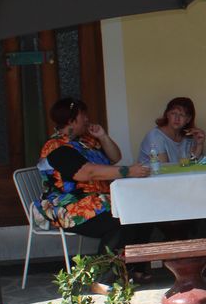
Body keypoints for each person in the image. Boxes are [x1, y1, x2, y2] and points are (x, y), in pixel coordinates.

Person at [36, 97, 152, 280]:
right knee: (119, 222)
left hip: (97, 201)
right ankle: (104, 278)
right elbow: (87, 173)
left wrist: (102, 136)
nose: (87, 119)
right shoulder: (56, 147)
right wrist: (128, 171)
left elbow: (114, 157)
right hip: (68, 207)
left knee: (140, 213)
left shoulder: (86, 141)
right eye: (83, 115)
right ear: (71, 120)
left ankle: (135, 269)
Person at [137, 97, 205, 164]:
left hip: (178, 171)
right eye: (173, 113)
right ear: (167, 115)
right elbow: (164, 168)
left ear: (188, 119)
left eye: (181, 115)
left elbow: (193, 163)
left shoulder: (188, 137)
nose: (177, 118)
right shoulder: (155, 136)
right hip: (154, 171)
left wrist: (199, 144)